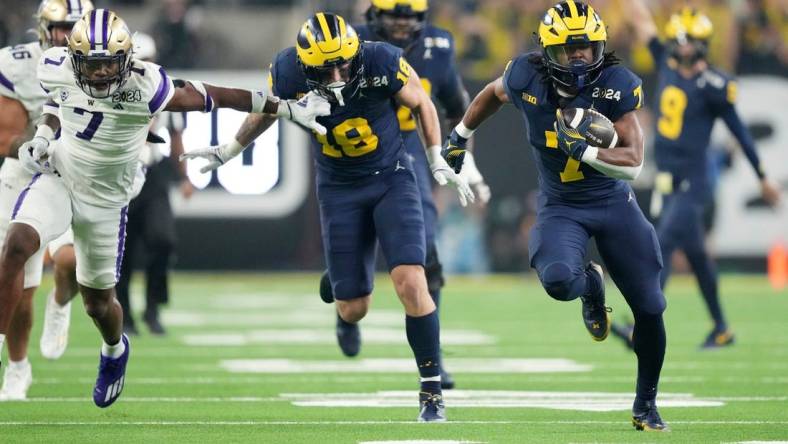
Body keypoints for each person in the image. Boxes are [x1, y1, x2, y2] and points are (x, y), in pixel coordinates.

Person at [0, 8, 329, 408]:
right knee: (17, 243)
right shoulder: (55, 64)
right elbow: (58, 100)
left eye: (108, 64)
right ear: (73, 57)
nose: (100, 73)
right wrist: (43, 135)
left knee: (98, 303)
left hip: (105, 199)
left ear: (126, 59)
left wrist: (290, 109)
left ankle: (114, 351)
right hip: (60, 175)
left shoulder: (147, 86)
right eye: (91, 64)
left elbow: (221, 96)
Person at [182, 12, 474, 422]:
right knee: (353, 308)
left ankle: (430, 391)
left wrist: (434, 159)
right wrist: (228, 151)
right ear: (305, 65)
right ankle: (342, 281)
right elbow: (264, 111)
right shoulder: (287, 71)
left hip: (392, 175)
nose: (337, 74)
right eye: (326, 67)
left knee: (411, 277)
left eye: (344, 63)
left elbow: (422, 101)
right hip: (339, 188)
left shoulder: (380, 59)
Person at [441, 1, 669, 431]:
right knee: (560, 280)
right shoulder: (525, 75)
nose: (579, 56)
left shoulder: (617, 83)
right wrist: (460, 134)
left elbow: (634, 160)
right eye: (568, 49)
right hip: (562, 205)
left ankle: (646, 404)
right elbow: (493, 93)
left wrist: (584, 149)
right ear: (548, 51)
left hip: (612, 201)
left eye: (586, 46)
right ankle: (591, 287)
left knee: (651, 307)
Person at [315, 0, 489, 390]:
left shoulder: (438, 47)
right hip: (357, 153)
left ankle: (435, 359)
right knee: (359, 260)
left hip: (412, 146)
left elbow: (455, 108)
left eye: (409, 17)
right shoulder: (351, 46)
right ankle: (344, 289)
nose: (401, 25)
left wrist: (462, 162)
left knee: (425, 252)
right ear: (375, 16)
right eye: (394, 16)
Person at [612, 2, 780, 350]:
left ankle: (640, 325)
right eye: (679, 38)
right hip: (669, 180)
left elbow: (741, 132)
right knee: (699, 259)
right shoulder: (667, 62)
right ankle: (721, 328)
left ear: (703, 42)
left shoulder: (715, 84)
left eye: (689, 39)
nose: (682, 44)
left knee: (661, 243)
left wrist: (762, 176)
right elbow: (643, 24)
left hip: (695, 180)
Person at [0, 0, 91, 401]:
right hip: (27, 172)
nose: (65, 35)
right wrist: (36, 145)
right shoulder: (19, 65)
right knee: (19, 286)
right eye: (59, 27)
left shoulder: (107, 63)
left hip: (79, 174)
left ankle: (62, 300)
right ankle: (18, 367)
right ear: (43, 28)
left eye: (74, 26)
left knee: (70, 261)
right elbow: (4, 138)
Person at [115, 33, 194, 337]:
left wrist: (184, 176)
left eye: (148, 61)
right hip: (119, 172)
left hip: (152, 172)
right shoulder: (110, 91)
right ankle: (124, 315)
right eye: (138, 62)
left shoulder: (165, 89)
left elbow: (175, 139)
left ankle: (152, 307)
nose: (144, 68)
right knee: (122, 250)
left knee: (163, 240)